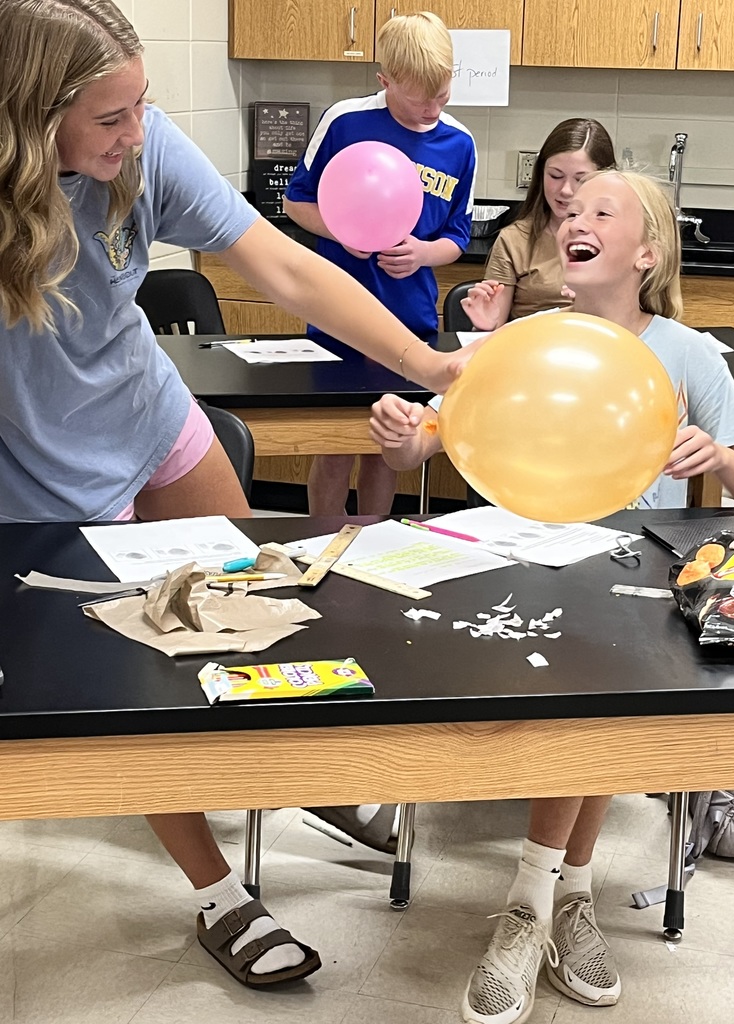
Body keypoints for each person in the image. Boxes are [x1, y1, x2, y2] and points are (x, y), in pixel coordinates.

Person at [0, 0, 474, 992]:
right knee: (130, 680)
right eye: (111, 118)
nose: (137, 135)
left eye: (142, 105)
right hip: (39, 470)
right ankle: (220, 894)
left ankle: (307, 778)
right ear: (33, 118)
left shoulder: (143, 146)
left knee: (261, 607)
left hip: (150, 419)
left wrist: (428, 365)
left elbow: (286, 265)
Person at [370, 168, 734, 1023]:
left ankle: (530, 904)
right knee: (583, 697)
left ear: (649, 253)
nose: (572, 218)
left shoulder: (687, 353)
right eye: (569, 209)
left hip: (632, 587)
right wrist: (403, 434)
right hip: (514, 571)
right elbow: (426, 445)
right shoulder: (521, 339)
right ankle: (569, 894)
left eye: (600, 211)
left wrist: (720, 458)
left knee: (593, 688)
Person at [283, 11, 477, 517]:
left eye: (442, 95)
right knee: (334, 446)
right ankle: (321, 541)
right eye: (418, 100)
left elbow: (458, 236)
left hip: (409, 321)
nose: (431, 110)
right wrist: (342, 232)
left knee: (387, 448)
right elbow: (296, 202)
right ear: (385, 81)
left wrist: (423, 253)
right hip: (337, 318)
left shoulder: (460, 143)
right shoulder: (345, 122)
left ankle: (374, 539)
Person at [460, 118, 615, 332]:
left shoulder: (623, 239)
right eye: (555, 176)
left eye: (581, 179)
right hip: (528, 347)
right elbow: (492, 331)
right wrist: (485, 327)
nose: (566, 190)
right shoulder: (515, 240)